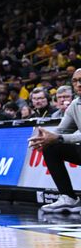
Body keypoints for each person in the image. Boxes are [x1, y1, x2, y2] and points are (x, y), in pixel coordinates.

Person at [30, 68, 81, 213]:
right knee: (50, 147)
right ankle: (68, 197)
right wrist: (45, 138)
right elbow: (62, 130)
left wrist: (58, 138)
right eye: (75, 81)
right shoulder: (75, 104)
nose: (78, 84)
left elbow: (61, 136)